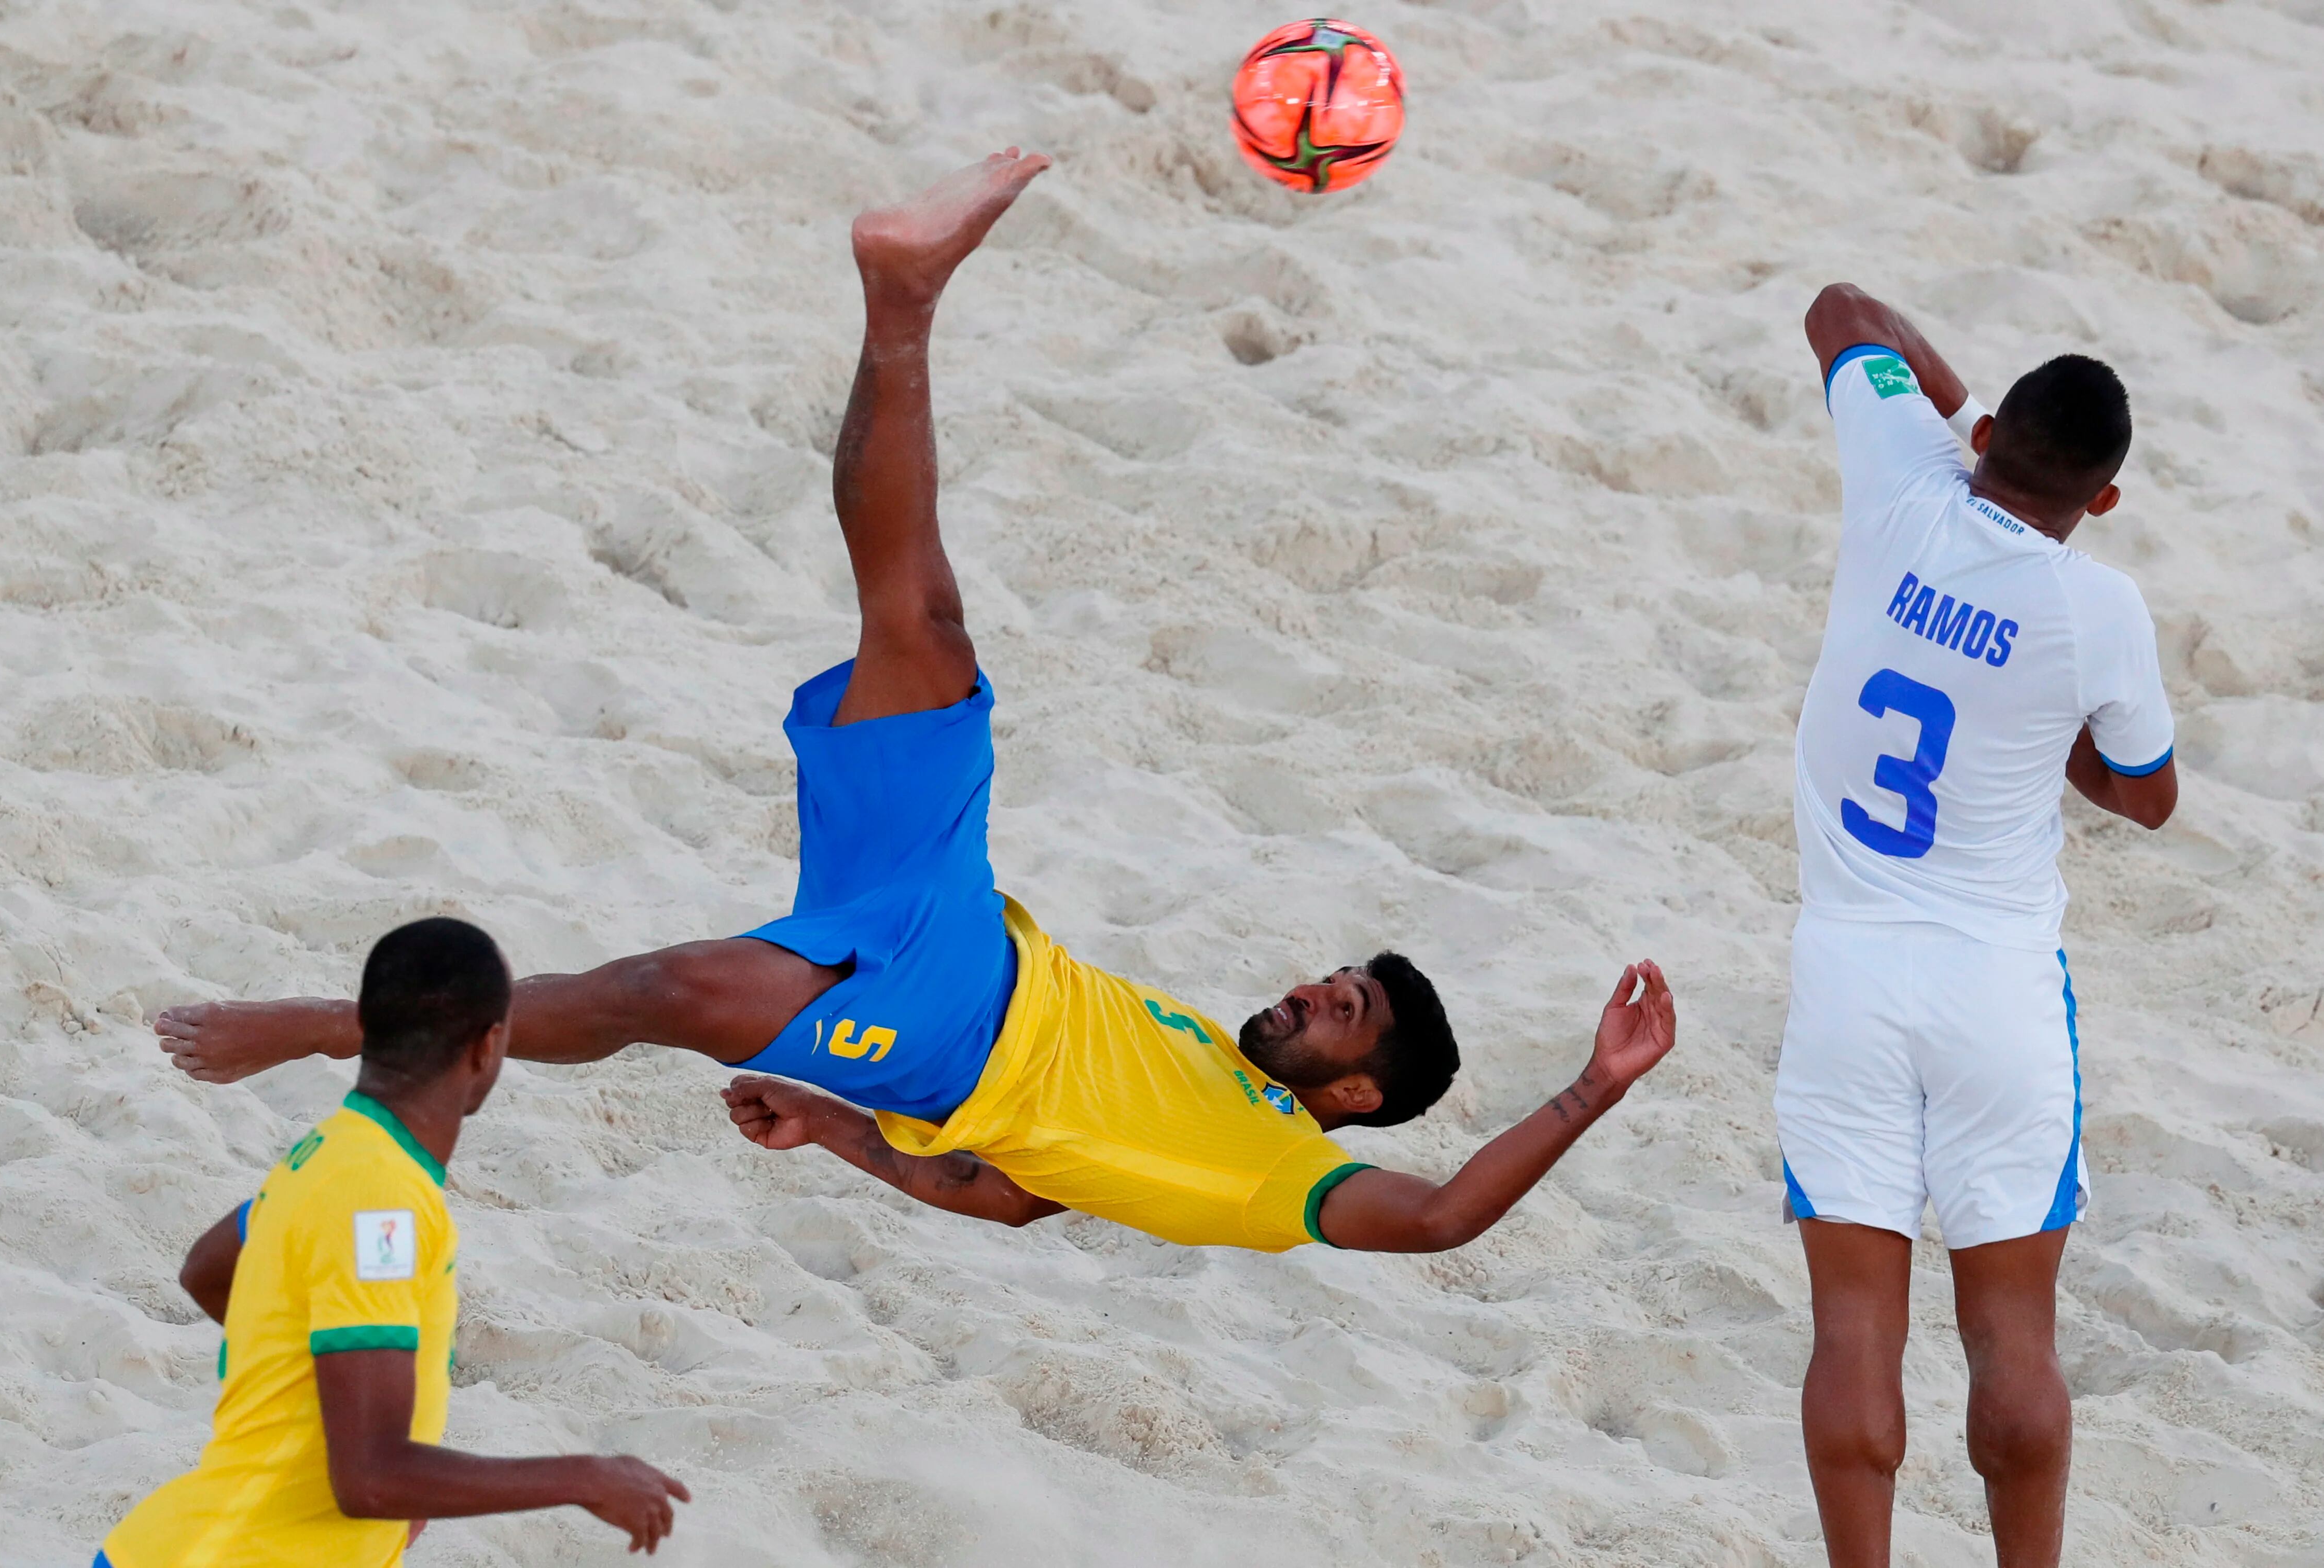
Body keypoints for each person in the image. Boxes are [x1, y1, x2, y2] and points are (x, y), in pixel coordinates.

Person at [154, 149, 1678, 1256]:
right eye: (1333, 973)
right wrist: (843, 1134)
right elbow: (1006, 1193)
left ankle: (326, 1025)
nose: (1311, 988)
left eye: (1343, 1009)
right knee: (923, 620)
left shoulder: (1285, 1178)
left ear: (1356, 1089)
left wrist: (1592, 1088)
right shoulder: (1196, 1068)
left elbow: (1448, 1216)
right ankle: (904, 295)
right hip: (957, 906)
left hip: (946, 1032)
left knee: (664, 994)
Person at [1782, 284, 2177, 1568]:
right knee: (2011, 1337)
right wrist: (2052, 733)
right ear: (2100, 500)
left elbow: (1839, 310)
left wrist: (1943, 413)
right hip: (1995, 990)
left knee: (1850, 1331)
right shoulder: (2095, 607)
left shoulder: (1900, 475)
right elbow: (2147, 795)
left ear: (1994, 427)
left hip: (1845, 971)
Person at [100, 918, 688, 1567]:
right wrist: (585, 1477)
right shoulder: (381, 1202)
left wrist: (331, 1400)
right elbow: (371, 1478)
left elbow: (207, 1271)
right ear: (488, 1046)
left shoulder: (329, 1151)